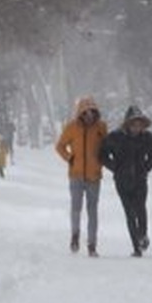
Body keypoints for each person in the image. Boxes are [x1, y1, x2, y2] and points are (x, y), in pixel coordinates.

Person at [99, 105, 152, 257]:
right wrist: (114, 167)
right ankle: (136, 247)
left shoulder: (147, 137)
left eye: (139, 124)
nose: (136, 127)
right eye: (133, 124)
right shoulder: (115, 137)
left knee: (140, 208)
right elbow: (102, 154)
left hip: (140, 179)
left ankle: (143, 235)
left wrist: (146, 167)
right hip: (122, 181)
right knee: (129, 212)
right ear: (127, 124)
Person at [55, 96, 108, 257]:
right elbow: (60, 146)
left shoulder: (101, 127)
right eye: (85, 112)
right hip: (76, 175)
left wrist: (103, 160)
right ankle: (75, 235)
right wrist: (70, 158)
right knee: (76, 208)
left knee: (93, 211)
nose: (88, 115)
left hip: (94, 176)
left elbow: (107, 146)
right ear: (80, 113)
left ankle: (92, 244)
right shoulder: (71, 127)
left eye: (92, 112)